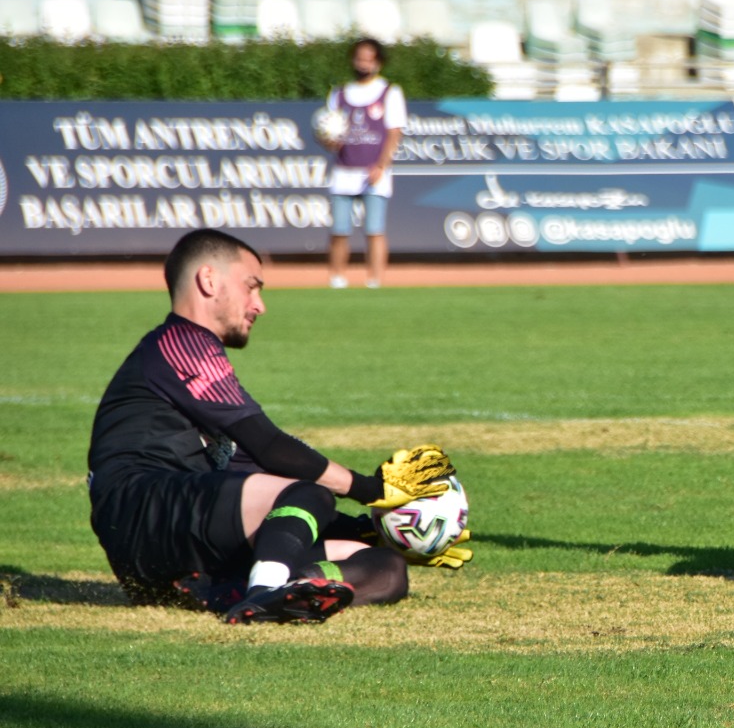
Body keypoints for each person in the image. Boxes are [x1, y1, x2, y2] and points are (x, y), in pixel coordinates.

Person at [87, 229, 468, 625]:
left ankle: (224, 593)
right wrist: (373, 491)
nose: (260, 305)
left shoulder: (195, 356)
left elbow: (250, 469)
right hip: (142, 511)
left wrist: (383, 532)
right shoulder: (180, 342)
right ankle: (264, 593)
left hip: (183, 535)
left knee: (385, 569)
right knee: (309, 494)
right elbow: (268, 446)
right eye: (251, 287)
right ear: (208, 280)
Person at [318, 38, 406, 289]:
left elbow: (394, 132)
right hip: (344, 171)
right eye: (359, 58)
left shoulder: (390, 92)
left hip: (374, 172)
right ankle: (336, 279)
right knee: (339, 229)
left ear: (378, 61)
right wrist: (329, 142)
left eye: (369, 58)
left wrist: (382, 165)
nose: (363, 63)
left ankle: (375, 281)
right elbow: (330, 130)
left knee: (374, 229)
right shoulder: (339, 93)